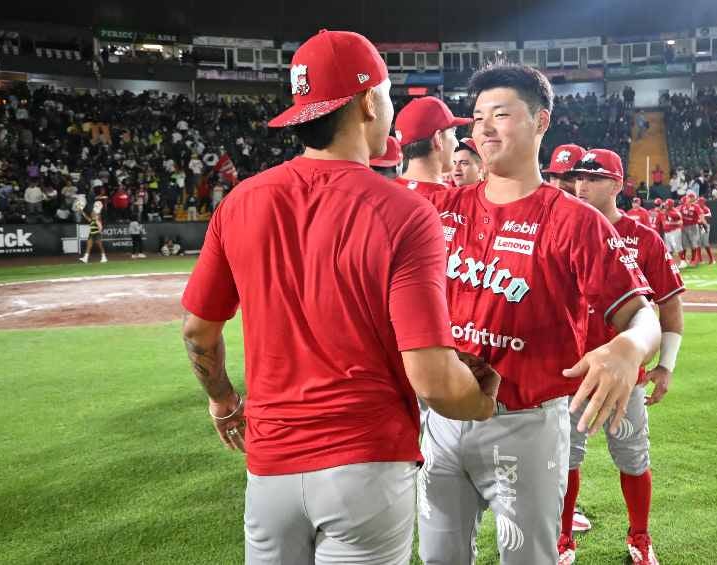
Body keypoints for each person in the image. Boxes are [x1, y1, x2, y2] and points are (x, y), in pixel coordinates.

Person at [180, 30, 498, 565]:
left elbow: (197, 330)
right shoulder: (403, 212)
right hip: (366, 463)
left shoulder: (241, 202)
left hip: (270, 467)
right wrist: (484, 398)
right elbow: (435, 382)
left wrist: (222, 400)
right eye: (389, 94)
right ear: (369, 100)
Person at [418, 64, 660, 565]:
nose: (483, 128)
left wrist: (627, 347)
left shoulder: (576, 221)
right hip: (442, 419)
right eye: (477, 117)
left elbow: (644, 316)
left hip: (525, 424)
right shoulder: (442, 210)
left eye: (501, 114)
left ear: (540, 122)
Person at [568, 148, 686, 565]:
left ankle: (639, 537)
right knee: (565, 460)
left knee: (634, 460)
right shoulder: (564, 228)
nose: (581, 186)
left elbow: (670, 307)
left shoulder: (644, 238)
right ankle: (563, 540)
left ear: (618, 185)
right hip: (571, 372)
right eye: (579, 178)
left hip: (626, 376)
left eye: (594, 179)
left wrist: (666, 366)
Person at [394, 96, 471, 197]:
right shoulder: (450, 200)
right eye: (453, 133)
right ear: (438, 139)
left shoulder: (385, 194)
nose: (456, 143)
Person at [679, 192, 703, 267]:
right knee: (683, 244)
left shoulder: (696, 206)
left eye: (689, 197)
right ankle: (684, 260)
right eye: (687, 197)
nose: (687, 198)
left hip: (693, 226)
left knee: (693, 244)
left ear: (692, 198)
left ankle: (693, 260)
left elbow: (701, 214)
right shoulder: (682, 206)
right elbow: (677, 212)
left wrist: (701, 220)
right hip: (684, 227)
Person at [662, 198, 686, 269]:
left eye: (667, 204)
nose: (665, 206)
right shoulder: (665, 211)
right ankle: (670, 263)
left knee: (678, 247)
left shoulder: (675, 212)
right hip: (667, 232)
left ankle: (683, 261)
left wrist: (671, 223)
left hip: (674, 231)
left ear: (670, 205)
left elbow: (680, 222)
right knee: (669, 249)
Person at [697, 196, 715, 264]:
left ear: (704, 202)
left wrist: (702, 215)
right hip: (698, 226)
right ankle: (700, 259)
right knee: (698, 243)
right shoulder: (697, 208)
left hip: (704, 226)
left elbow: (710, 215)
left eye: (701, 202)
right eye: (699, 202)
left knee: (705, 243)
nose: (699, 203)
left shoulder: (706, 208)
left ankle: (712, 259)